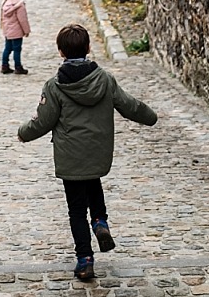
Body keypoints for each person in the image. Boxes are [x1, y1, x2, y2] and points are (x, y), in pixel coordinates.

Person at [17, 23, 156, 281]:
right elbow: (129, 105)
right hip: (98, 150)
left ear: (61, 52)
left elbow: (43, 121)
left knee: (76, 210)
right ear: (89, 48)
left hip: (70, 155)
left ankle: (85, 260)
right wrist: (151, 117)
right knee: (93, 181)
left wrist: (23, 133)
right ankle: (101, 222)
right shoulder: (104, 79)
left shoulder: (55, 86)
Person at [0, 0, 31, 74]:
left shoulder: (6, 3)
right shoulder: (19, 5)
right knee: (17, 49)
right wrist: (26, 30)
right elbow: (23, 20)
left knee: (7, 48)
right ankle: (18, 66)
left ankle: (4, 65)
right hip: (16, 32)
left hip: (8, 31)